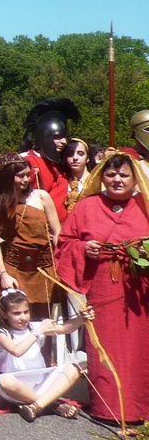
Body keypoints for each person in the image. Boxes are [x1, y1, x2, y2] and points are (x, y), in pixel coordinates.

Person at [55, 152, 149, 425]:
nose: (117, 180)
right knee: (105, 345)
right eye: (111, 174)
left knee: (139, 347)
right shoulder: (86, 207)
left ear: (135, 178)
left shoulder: (145, 205)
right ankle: (107, 407)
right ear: (101, 177)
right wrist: (84, 248)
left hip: (138, 291)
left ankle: (139, 406)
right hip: (103, 289)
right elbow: (65, 242)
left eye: (123, 175)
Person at [0, 288, 91, 422]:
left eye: (26, 312)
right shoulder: (1, 332)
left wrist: (82, 318)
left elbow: (66, 328)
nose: (23, 317)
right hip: (16, 389)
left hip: (41, 384)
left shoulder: (34, 327)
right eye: (16, 313)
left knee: (73, 367)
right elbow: (17, 351)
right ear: (4, 314)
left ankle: (37, 405)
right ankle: (53, 404)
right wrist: (38, 332)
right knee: (4, 381)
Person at [0, 153, 61, 320]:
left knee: (43, 323)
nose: (26, 179)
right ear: (8, 177)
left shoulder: (41, 197)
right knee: (12, 320)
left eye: (28, 174)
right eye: (20, 176)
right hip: (13, 268)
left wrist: (62, 263)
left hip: (42, 268)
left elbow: (57, 233)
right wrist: (3, 274)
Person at [20, 98, 80, 223]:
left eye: (64, 137)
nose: (63, 142)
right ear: (45, 135)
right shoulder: (25, 162)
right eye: (58, 137)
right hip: (36, 231)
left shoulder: (61, 165)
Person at [62, 138, 90, 214]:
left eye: (80, 154)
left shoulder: (95, 182)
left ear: (87, 158)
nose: (75, 158)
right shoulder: (61, 181)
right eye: (70, 154)